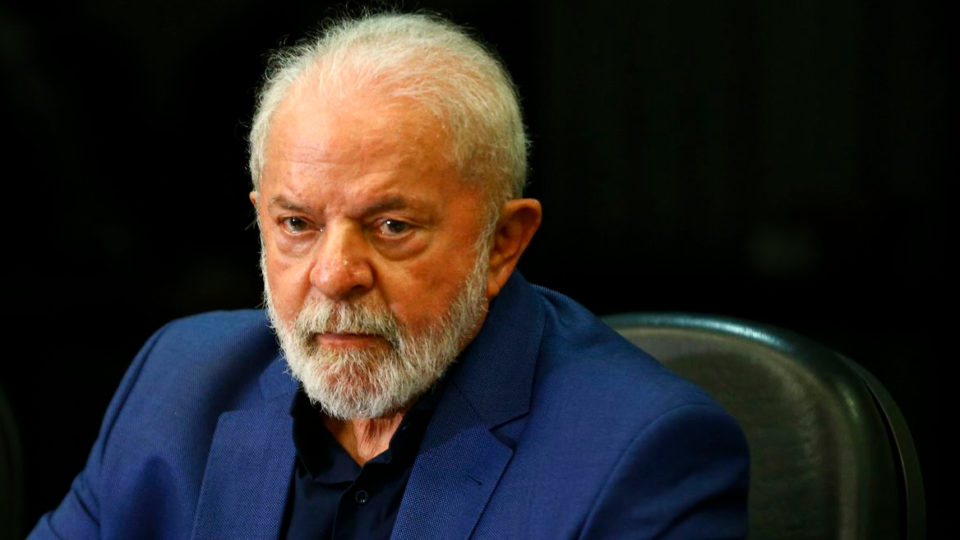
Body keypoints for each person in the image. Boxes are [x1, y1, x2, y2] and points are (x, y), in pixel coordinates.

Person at [29, 12, 748, 539]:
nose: (334, 275)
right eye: (297, 224)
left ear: (503, 243)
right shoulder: (177, 382)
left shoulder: (642, 452)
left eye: (391, 227)